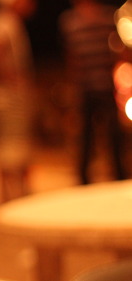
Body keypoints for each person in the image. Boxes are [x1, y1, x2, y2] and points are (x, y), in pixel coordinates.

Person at [59, 0, 126, 185]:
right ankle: (83, 182)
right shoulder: (69, 21)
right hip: (85, 88)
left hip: (105, 86)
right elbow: (71, 58)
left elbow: (117, 52)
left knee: (114, 136)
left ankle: (120, 179)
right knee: (86, 138)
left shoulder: (108, 17)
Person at [0, 0, 37, 203]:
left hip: (10, 93)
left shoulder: (8, 22)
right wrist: (9, 78)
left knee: (15, 142)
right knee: (9, 143)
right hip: (7, 95)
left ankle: (17, 192)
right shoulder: (3, 22)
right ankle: (9, 196)